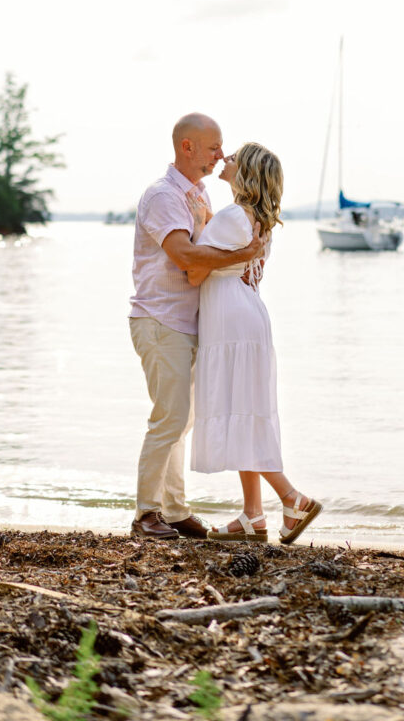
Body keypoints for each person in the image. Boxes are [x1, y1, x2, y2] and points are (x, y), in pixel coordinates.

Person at [129, 114, 264, 539]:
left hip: (188, 325)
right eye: (212, 148)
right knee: (169, 419)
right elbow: (186, 257)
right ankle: (145, 515)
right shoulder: (163, 196)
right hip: (160, 320)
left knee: (181, 421)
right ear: (186, 147)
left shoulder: (199, 193)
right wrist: (240, 256)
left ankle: (173, 510)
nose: (220, 156)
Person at [188, 142, 321, 545]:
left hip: (231, 320)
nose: (224, 159)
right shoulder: (253, 217)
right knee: (243, 410)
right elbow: (228, 258)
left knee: (240, 411)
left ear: (244, 171)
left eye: (232, 157)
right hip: (246, 315)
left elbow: (195, 270)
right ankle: (252, 516)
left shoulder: (232, 216)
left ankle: (292, 499)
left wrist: (196, 226)